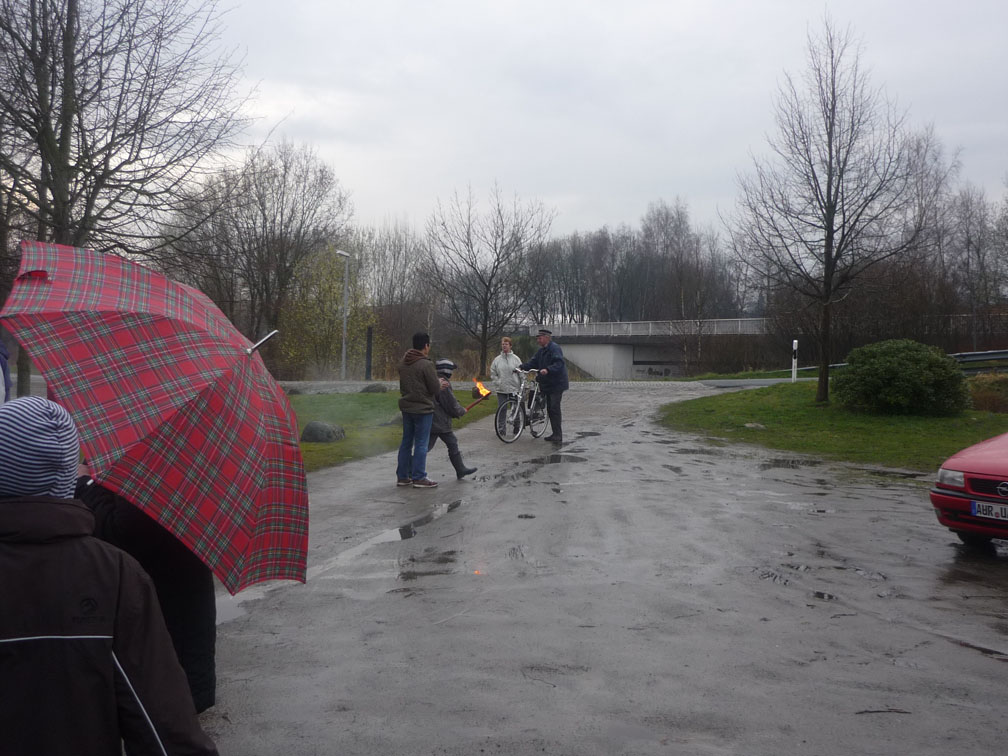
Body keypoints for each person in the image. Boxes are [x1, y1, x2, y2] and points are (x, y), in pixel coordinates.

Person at [0, 397, 217, 756]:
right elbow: (160, 724)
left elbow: (125, 526)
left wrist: (87, 483)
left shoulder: (152, 472)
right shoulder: (113, 573)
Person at [74, 475, 217, 714]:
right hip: (181, 611)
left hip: (165, 629)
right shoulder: (181, 467)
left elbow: (121, 532)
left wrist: (85, 485)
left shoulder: (150, 474)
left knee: (165, 718)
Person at [396, 331, 442, 488]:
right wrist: (440, 384)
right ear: (426, 346)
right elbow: (434, 388)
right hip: (423, 409)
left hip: (407, 407)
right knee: (421, 443)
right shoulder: (426, 364)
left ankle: (403, 476)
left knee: (406, 442)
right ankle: (419, 477)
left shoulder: (403, 362)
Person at [428, 358, 477, 480]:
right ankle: (410, 469)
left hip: (434, 420)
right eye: (451, 370)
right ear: (447, 371)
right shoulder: (444, 384)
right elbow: (450, 403)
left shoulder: (435, 380)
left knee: (450, 443)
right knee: (427, 447)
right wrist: (461, 411)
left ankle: (460, 469)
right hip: (440, 421)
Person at [520, 328, 569, 445]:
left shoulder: (554, 348)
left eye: (540, 338)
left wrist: (548, 369)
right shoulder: (541, 351)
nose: (538, 340)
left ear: (547, 338)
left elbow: (559, 363)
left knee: (554, 408)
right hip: (547, 383)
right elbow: (533, 363)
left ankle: (558, 434)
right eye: (537, 338)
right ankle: (554, 433)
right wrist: (522, 367)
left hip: (557, 384)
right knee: (549, 408)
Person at [489, 336, 522, 406]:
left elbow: (521, 373)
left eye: (506, 344)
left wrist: (522, 387)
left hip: (514, 389)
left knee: (515, 409)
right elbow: (493, 373)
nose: (504, 346)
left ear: (510, 346)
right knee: (501, 409)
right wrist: (497, 382)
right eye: (503, 344)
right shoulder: (497, 360)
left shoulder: (516, 359)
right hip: (501, 389)